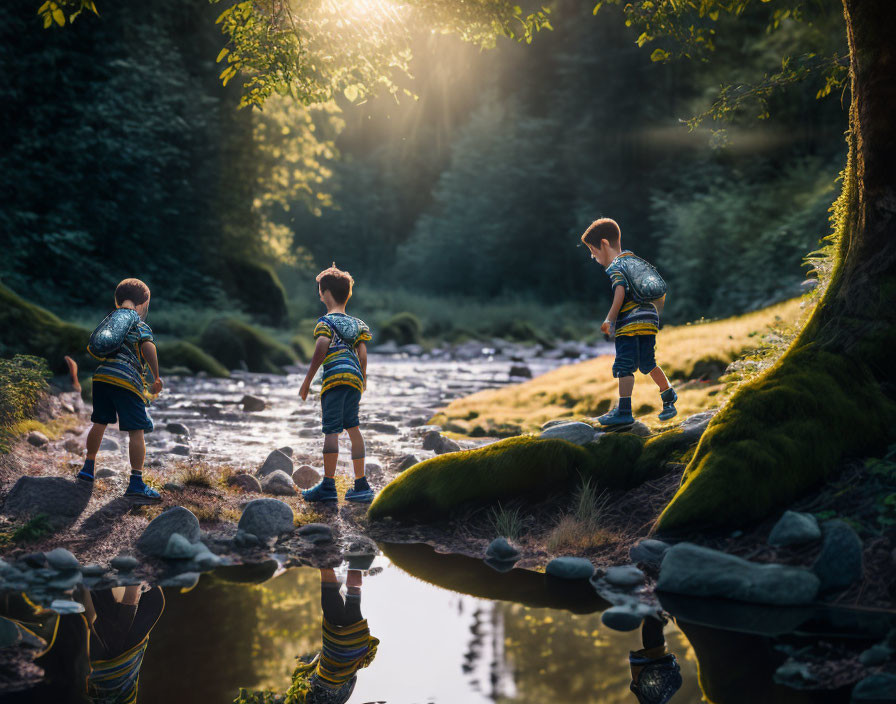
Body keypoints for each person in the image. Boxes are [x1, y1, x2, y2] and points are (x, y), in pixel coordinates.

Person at [581, 219, 677, 425]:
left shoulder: (616, 267)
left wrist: (610, 319)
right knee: (648, 363)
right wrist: (653, 317)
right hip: (649, 319)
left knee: (624, 365)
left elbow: (620, 292)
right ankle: (668, 395)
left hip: (630, 323)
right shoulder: (635, 261)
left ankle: (623, 411)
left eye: (592, 249)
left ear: (604, 244)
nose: (592, 255)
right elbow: (658, 293)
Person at [77, 278, 163, 502]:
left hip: (102, 378)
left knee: (99, 422)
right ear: (143, 301)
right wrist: (156, 376)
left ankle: (88, 467)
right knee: (136, 431)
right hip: (127, 381)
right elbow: (148, 348)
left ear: (117, 299)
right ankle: (136, 483)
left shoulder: (112, 321)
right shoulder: (139, 325)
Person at [299, 265, 375, 504]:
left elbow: (322, 346)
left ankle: (328, 486)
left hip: (334, 379)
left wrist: (307, 380)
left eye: (320, 290)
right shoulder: (359, 324)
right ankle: (361, 484)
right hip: (354, 379)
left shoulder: (326, 322)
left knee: (331, 430)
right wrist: (362, 379)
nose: (319, 294)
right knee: (353, 428)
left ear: (325, 293)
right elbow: (362, 354)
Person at [628, 615, 682, 704]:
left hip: (651, 664)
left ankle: (655, 616)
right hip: (652, 664)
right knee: (654, 646)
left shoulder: (651, 696)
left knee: (654, 646)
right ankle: (655, 617)